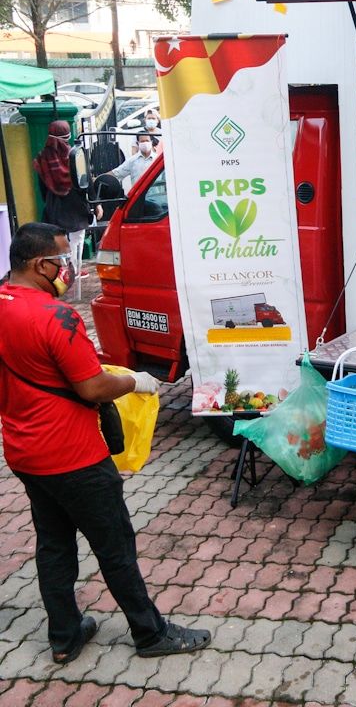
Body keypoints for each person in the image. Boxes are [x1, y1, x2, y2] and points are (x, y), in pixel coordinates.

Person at [0, 223, 212, 662]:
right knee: (115, 545)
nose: (70, 269)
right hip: (73, 455)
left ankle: (65, 636)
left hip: (24, 451)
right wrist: (134, 380)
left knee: (53, 543)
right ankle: (151, 634)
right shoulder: (55, 316)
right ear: (42, 265)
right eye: (64, 259)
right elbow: (92, 388)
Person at [33, 121, 93, 278]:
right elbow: (84, 180)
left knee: (59, 237)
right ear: (67, 135)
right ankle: (76, 268)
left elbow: (42, 185)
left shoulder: (42, 156)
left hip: (55, 201)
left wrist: (48, 200)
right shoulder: (74, 154)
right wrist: (93, 202)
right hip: (75, 201)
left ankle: (65, 269)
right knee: (77, 237)